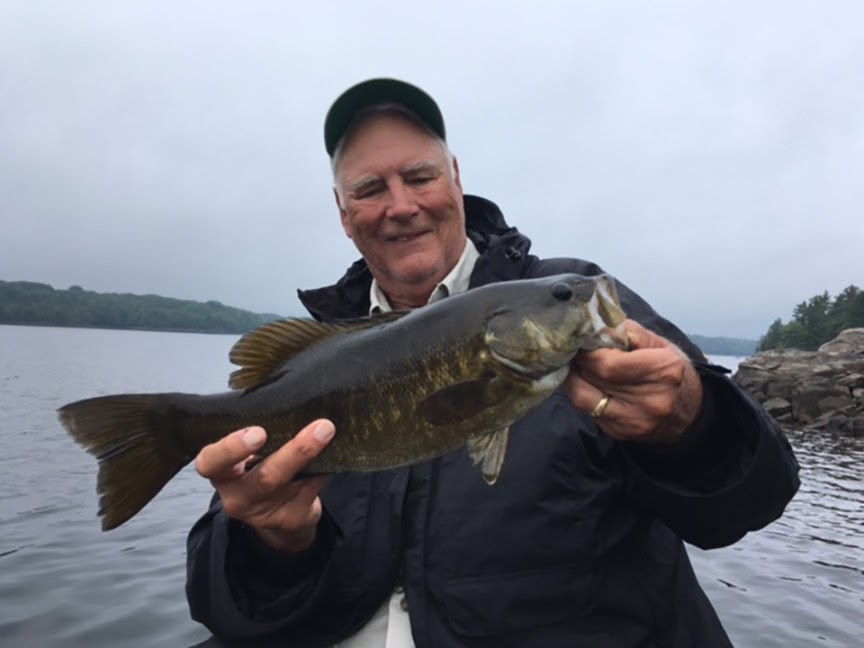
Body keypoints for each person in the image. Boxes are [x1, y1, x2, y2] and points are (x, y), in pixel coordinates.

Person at [186, 78, 800, 647]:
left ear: (455, 179)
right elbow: (220, 605)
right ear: (345, 216)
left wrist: (689, 422)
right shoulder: (316, 357)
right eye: (370, 189)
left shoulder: (574, 294)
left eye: (419, 176)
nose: (400, 205)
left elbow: (754, 497)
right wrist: (271, 541)